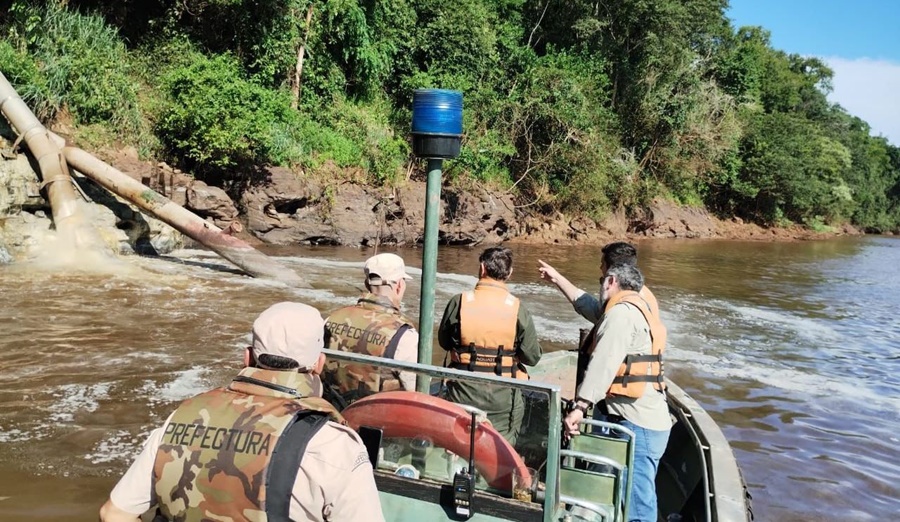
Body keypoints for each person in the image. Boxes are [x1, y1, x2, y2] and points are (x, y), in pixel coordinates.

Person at [99, 302, 384, 522]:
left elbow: (114, 513)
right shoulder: (331, 444)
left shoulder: (181, 417)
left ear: (247, 357)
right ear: (319, 364)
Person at [562, 264, 670, 522]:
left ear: (611, 281)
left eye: (601, 280)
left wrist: (579, 407)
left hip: (637, 423)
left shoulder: (620, 314)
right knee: (638, 495)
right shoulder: (641, 308)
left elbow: (604, 363)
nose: (600, 286)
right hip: (647, 418)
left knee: (636, 504)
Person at [438, 246, 542, 446]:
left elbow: (444, 342)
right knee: (499, 448)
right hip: (503, 398)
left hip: (463, 391)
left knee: (457, 445)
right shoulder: (518, 309)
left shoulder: (459, 302)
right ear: (509, 274)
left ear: (482, 268)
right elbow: (532, 357)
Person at [538, 241, 659, 386]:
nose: (600, 267)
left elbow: (606, 355)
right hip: (634, 381)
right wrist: (557, 279)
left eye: (602, 264)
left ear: (612, 273)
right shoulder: (635, 294)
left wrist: (583, 403)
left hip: (626, 389)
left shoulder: (625, 307)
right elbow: (596, 312)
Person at [322, 253, 419, 408]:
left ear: (366, 284)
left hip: (331, 414)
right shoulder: (404, 334)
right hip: (378, 423)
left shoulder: (331, 319)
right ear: (400, 285)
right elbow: (416, 392)